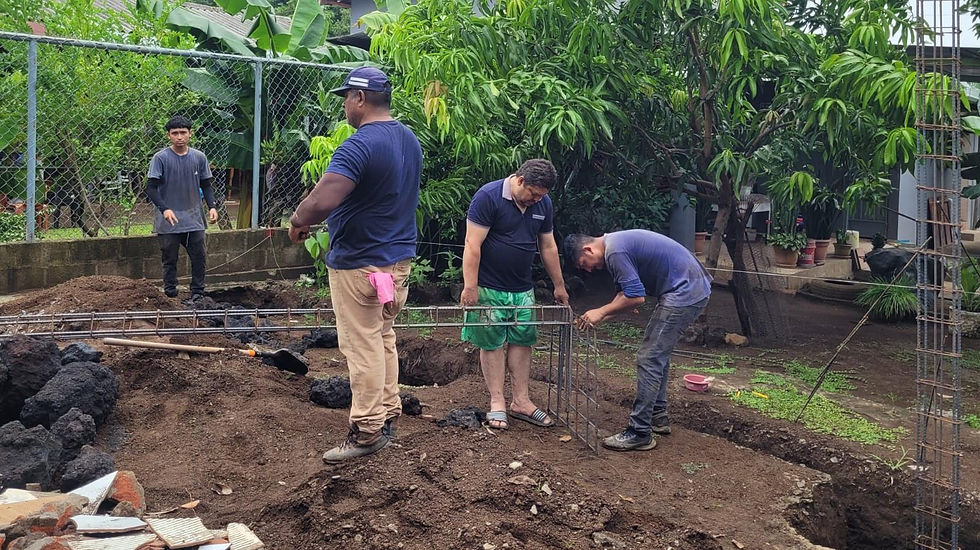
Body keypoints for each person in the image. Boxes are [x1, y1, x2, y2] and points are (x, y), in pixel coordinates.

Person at [288, 67, 422, 464]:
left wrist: (299, 221)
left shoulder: (359, 145)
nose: (345, 105)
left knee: (360, 345)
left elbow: (322, 200)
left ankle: (367, 430)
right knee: (382, 337)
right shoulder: (408, 139)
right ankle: (388, 410)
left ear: (360, 99)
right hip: (396, 264)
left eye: (347, 97)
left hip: (360, 265)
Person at [563, 230, 712, 451]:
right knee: (657, 353)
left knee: (650, 356)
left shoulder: (615, 251)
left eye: (584, 263)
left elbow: (636, 297)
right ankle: (658, 416)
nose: (589, 269)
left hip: (685, 291)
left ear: (588, 249)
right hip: (689, 286)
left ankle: (640, 431)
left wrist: (601, 311)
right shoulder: (614, 246)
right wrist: (600, 316)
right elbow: (625, 297)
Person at [460, 159, 569, 431]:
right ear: (520, 180)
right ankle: (497, 401)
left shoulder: (543, 204)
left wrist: (559, 284)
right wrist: (470, 286)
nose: (536, 200)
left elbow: (548, 246)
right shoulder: (488, 197)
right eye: (533, 193)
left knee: (523, 341)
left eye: (542, 195)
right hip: (488, 287)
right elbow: (473, 244)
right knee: (493, 342)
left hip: (522, 288)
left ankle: (521, 400)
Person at [146, 116, 217, 300]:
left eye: (183, 132)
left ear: (190, 134)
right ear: (168, 135)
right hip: (169, 219)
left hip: (194, 218)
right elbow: (151, 188)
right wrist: (165, 209)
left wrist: (212, 206)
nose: (179, 137)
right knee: (169, 258)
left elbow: (206, 185)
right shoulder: (160, 158)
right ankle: (170, 293)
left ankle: (198, 293)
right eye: (175, 133)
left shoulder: (199, 157)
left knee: (199, 256)